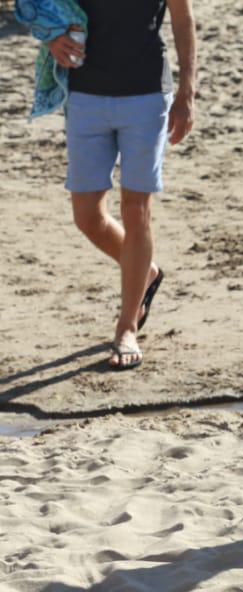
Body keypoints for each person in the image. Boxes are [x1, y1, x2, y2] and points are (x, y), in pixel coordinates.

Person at [27, 0, 196, 369]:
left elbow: (183, 18)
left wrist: (187, 90)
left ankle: (127, 327)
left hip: (148, 95)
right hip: (86, 93)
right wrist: (52, 37)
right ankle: (144, 270)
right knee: (87, 216)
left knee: (136, 211)